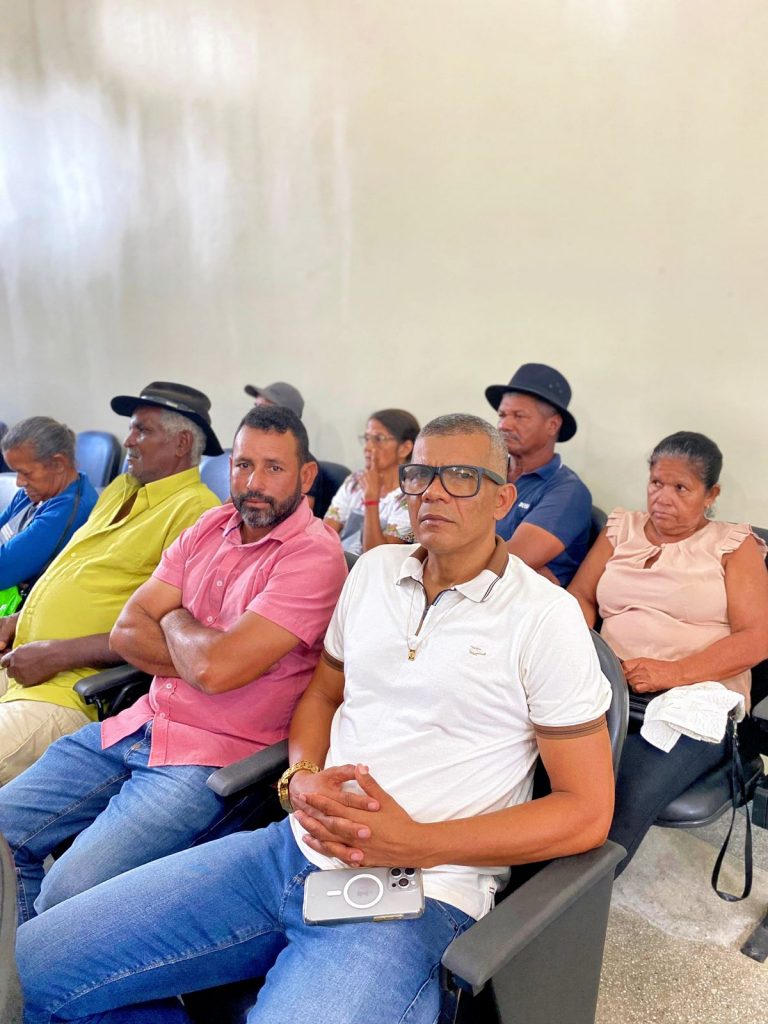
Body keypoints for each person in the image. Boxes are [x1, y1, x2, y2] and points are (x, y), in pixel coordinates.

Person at [16, 413, 614, 1024]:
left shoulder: (545, 618)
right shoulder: (375, 574)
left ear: (503, 498)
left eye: (461, 477)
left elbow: (587, 811)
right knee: (25, 972)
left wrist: (419, 843)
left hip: (417, 894)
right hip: (290, 850)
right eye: (420, 475)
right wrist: (299, 776)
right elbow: (323, 696)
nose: (434, 492)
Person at [0, 404, 347, 924]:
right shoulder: (210, 525)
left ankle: (40, 964)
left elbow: (215, 671)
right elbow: (126, 631)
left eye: (273, 468)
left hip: (211, 759)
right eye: (243, 465)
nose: (254, 483)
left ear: (306, 475)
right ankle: (27, 968)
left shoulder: (312, 556)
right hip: (140, 723)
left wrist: (173, 616)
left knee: (63, 895)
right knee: (4, 835)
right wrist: (202, 648)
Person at [0, 381, 222, 783]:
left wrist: (58, 653)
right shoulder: (122, 488)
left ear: (181, 443)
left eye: (143, 430)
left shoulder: (198, 512)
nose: (129, 440)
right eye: (132, 428)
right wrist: (20, 620)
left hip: (69, 688)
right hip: (22, 659)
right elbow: (78, 568)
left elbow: (168, 639)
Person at [567, 431, 768, 873]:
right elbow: (581, 595)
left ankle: (567, 899)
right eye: (657, 483)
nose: (663, 497)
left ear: (711, 495)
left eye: (681, 488)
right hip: (610, 682)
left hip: (694, 699)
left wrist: (672, 673)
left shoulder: (734, 544)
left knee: (620, 790)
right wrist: (582, 650)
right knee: (550, 767)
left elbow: (756, 639)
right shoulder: (621, 528)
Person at [485, 362, 592, 586]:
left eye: (519, 416)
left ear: (552, 425)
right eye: (502, 415)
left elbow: (511, 561)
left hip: (516, 599)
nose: (504, 425)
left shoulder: (568, 491)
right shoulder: (487, 471)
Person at [0, 417, 98, 592]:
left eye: (26, 473)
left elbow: (3, 570)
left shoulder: (67, 512)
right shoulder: (33, 492)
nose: (19, 482)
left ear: (59, 464)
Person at [324, 408, 420, 555]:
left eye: (379, 439)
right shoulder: (355, 482)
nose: (367, 447)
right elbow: (325, 535)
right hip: (339, 562)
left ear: (405, 448)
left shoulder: (411, 496)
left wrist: (371, 500)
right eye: (367, 438)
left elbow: (379, 558)